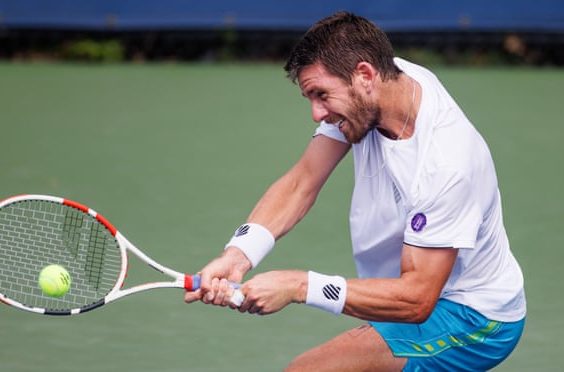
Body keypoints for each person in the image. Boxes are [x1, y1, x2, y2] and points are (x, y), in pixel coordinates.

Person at [185, 10, 526, 372]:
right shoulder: (377, 85)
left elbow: (416, 300)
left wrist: (299, 286)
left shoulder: (447, 165)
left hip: (472, 318)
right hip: (407, 292)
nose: (317, 114)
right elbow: (303, 180)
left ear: (364, 75)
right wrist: (238, 256)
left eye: (321, 95)